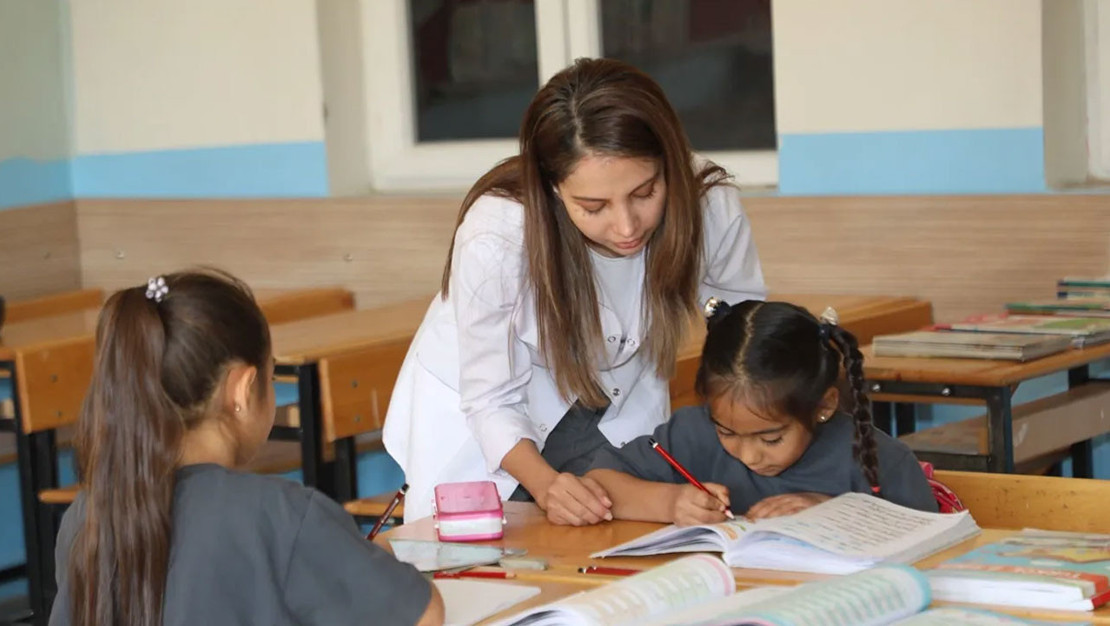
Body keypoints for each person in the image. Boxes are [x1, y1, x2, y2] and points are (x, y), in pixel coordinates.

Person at [383, 57, 766, 524]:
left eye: (645, 193)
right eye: (593, 206)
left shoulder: (710, 204)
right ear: (552, 189)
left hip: (609, 400)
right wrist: (546, 486)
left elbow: (744, 329)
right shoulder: (499, 234)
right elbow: (490, 399)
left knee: (627, 540)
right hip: (489, 415)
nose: (627, 226)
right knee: (492, 557)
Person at [50, 270, 443, 626]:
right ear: (241, 389)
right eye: (271, 377)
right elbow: (425, 614)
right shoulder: (280, 514)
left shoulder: (85, 519)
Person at [585, 299, 937, 527]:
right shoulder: (691, 434)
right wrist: (670, 502)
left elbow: (932, 545)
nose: (750, 455)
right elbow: (599, 481)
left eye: (771, 438)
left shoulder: (877, 460)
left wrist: (835, 514)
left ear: (824, 406)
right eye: (727, 432)